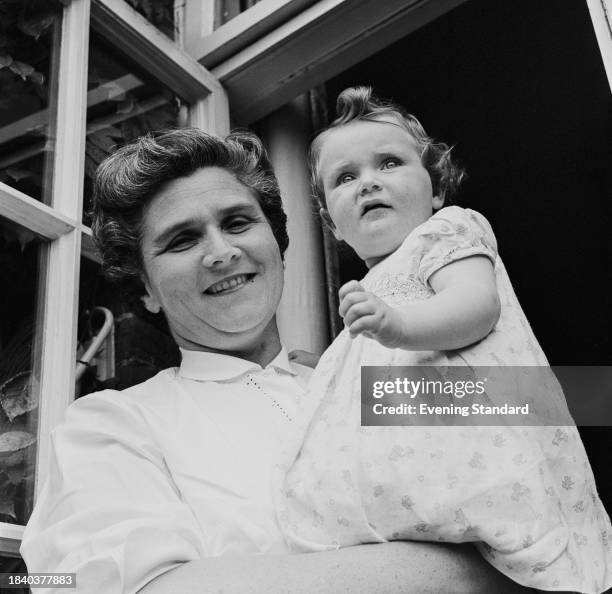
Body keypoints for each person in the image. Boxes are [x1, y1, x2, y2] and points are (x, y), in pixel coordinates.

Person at [19, 129, 527, 593]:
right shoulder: (114, 424)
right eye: (182, 240)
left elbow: (555, 424)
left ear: (278, 245)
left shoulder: (374, 371)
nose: (221, 252)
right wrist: (463, 572)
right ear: (145, 288)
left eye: (237, 222)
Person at [278, 87, 612, 593]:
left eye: (388, 163)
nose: (368, 183)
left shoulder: (445, 231)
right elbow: (370, 371)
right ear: (332, 223)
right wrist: (328, 368)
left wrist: (398, 326)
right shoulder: (370, 291)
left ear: (435, 190)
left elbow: (477, 306)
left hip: (480, 450)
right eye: (345, 178)